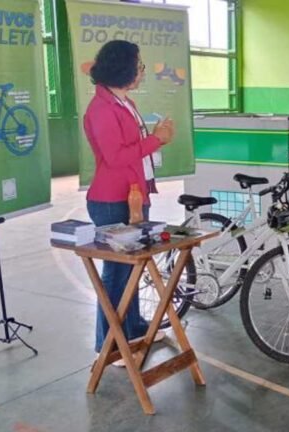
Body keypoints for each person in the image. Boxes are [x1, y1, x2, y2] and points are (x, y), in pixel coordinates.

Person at [84, 40, 174, 359]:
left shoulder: (125, 103)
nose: (141, 71)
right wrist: (155, 140)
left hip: (134, 195)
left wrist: (155, 139)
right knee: (117, 273)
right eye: (138, 65)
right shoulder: (101, 108)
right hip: (111, 200)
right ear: (122, 68)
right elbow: (115, 157)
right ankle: (108, 344)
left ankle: (132, 327)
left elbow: (134, 150)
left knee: (134, 268)